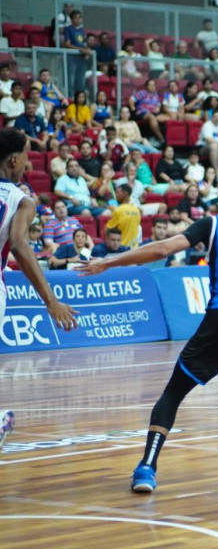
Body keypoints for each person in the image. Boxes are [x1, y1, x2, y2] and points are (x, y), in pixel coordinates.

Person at [76, 166, 218, 490]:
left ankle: (146, 468)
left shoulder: (213, 224)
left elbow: (162, 249)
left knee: (173, 394)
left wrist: (107, 262)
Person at [0, 129, 78, 447]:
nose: (30, 165)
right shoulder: (21, 199)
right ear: (15, 159)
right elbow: (19, 243)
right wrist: (50, 300)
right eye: (29, 156)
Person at [62, 10, 91, 95]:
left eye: (80, 18)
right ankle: (70, 97)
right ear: (71, 19)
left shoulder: (81, 31)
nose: (78, 20)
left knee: (81, 80)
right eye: (76, 18)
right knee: (71, 80)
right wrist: (80, 49)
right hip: (72, 58)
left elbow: (84, 44)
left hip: (81, 59)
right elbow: (67, 44)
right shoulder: (68, 29)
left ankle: (80, 98)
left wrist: (87, 50)